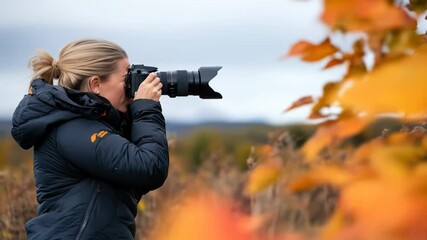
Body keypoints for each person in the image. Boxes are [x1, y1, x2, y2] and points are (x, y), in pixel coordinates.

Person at [11, 39, 169, 239]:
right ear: (96, 84)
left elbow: (137, 178)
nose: (132, 88)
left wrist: (133, 117)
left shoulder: (91, 126)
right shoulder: (72, 128)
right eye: (126, 79)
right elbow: (149, 167)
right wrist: (146, 108)